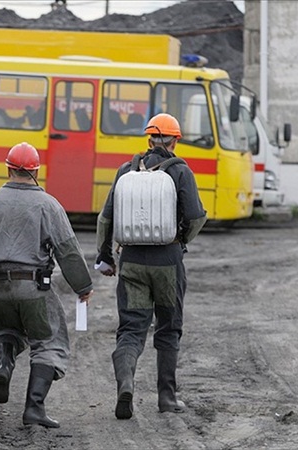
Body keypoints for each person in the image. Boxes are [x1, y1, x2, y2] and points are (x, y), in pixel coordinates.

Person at [0, 142, 94, 429]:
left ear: (8, 169)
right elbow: (68, 251)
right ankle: (34, 408)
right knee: (48, 342)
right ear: (35, 171)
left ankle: (4, 365)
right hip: (34, 288)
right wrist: (82, 286)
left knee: (7, 330)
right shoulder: (48, 205)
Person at [94, 113, 207, 420]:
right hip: (168, 262)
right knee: (168, 329)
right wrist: (180, 240)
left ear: (148, 140)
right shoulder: (180, 172)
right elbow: (196, 217)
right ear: (174, 141)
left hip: (131, 261)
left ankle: (126, 383)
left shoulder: (125, 170)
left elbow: (106, 219)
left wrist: (106, 256)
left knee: (131, 329)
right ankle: (167, 398)